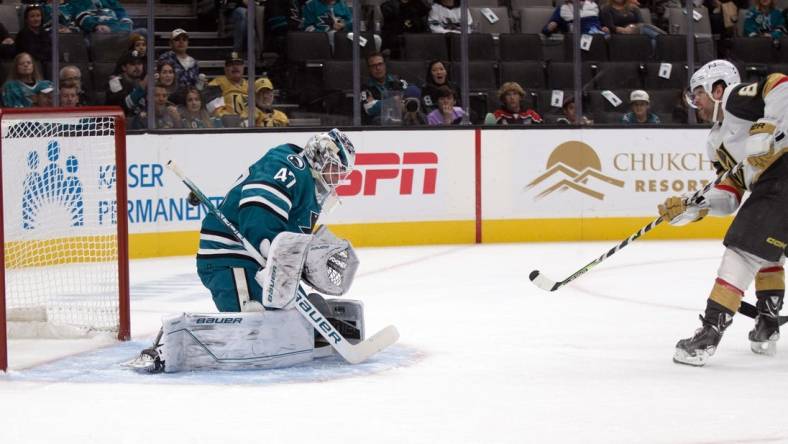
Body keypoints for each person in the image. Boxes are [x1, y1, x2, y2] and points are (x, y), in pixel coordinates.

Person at [130, 129, 362, 373]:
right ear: (319, 156)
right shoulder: (288, 166)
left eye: (341, 173)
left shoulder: (310, 187)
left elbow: (285, 240)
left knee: (296, 317)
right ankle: (169, 346)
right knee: (263, 324)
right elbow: (257, 214)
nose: (336, 178)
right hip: (229, 257)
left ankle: (311, 326)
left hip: (255, 261)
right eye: (335, 169)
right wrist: (272, 249)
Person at [660, 60, 787, 366]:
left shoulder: (734, 98)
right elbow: (730, 194)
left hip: (782, 175)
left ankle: (709, 332)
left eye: (698, 94)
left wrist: (769, 128)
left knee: (743, 250)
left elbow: (781, 83)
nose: (696, 103)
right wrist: (696, 206)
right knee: (764, 246)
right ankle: (768, 321)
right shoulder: (716, 143)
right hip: (775, 185)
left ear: (718, 88)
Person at [207, 52, 259, 126]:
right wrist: (234, 121)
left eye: (238, 64)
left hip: (251, 125)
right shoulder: (216, 83)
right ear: (225, 68)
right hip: (227, 127)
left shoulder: (252, 85)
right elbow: (214, 110)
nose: (235, 67)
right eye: (231, 64)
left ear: (243, 66)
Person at [362, 52, 408, 125]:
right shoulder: (365, 87)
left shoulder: (398, 81)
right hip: (378, 126)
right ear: (369, 69)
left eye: (380, 64)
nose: (378, 68)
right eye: (373, 66)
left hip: (402, 120)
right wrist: (393, 101)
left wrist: (378, 103)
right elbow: (370, 108)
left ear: (384, 65)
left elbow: (407, 102)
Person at [105, 50, 147, 129]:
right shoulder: (114, 82)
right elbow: (123, 106)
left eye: (139, 63)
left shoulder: (143, 82)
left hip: (142, 125)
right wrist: (141, 88)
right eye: (132, 64)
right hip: (118, 128)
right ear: (124, 67)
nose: (137, 67)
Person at [65, 0, 134, 33]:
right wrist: (96, 26)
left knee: (142, 32)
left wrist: (124, 26)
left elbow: (121, 12)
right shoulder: (77, 2)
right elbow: (83, 17)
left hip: (117, 28)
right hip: (95, 32)